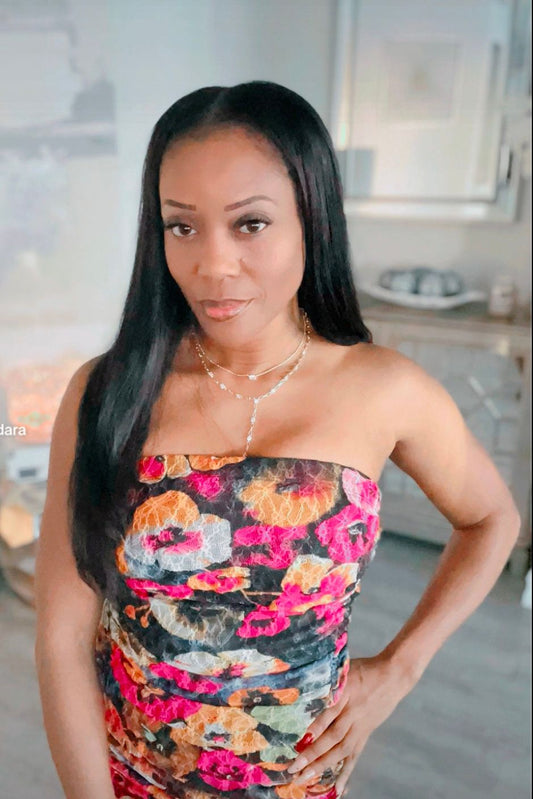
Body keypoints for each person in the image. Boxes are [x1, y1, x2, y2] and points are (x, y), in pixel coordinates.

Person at [34, 81, 521, 799]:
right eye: (181, 226)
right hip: (128, 775)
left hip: (300, 785)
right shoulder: (107, 392)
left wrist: (398, 669)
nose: (212, 265)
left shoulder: (384, 388)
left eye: (250, 223)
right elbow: (60, 637)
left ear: (312, 219)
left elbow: (491, 518)